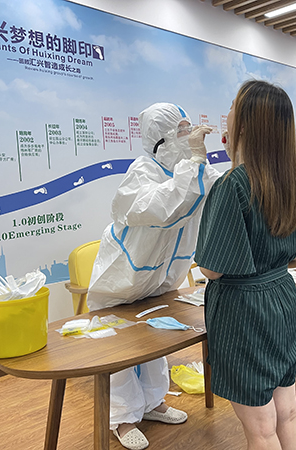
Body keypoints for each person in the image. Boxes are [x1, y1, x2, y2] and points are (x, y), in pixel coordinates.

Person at [88, 102, 221, 450]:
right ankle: (122, 418)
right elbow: (164, 209)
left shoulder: (188, 170)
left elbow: (214, 191)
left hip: (160, 278)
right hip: (124, 277)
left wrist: (203, 161)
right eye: (182, 130)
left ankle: (152, 403)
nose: (189, 136)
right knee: (120, 348)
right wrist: (194, 161)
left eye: (189, 128)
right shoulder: (142, 172)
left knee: (154, 340)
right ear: (161, 138)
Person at [195, 80, 296, 450]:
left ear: (245, 123)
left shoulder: (234, 184)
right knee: (288, 412)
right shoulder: (287, 182)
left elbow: (212, 269)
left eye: (232, 106)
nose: (226, 113)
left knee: (261, 429)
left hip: (243, 311)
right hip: (280, 299)